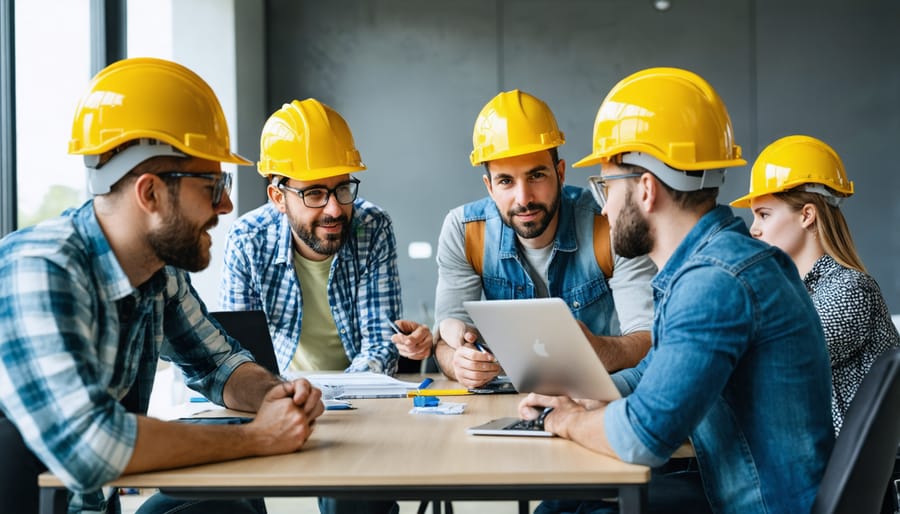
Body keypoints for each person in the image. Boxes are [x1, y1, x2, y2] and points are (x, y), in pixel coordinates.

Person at [0, 57, 324, 514]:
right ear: (150, 193)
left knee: (228, 505)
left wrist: (275, 396)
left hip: (95, 506)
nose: (227, 205)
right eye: (213, 186)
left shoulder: (158, 272)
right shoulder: (39, 269)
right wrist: (258, 437)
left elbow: (219, 365)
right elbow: (89, 447)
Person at [518, 67, 835, 514]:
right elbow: (652, 374)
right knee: (566, 504)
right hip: (736, 490)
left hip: (761, 506)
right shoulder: (712, 265)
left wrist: (566, 420)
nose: (604, 208)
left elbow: (644, 437)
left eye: (606, 187)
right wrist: (586, 396)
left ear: (646, 189)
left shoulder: (715, 282)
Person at [433, 89, 656, 388]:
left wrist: (597, 352)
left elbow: (649, 339)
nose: (523, 198)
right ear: (489, 187)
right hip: (508, 401)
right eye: (506, 181)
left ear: (560, 173)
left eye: (536, 176)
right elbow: (445, 338)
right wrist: (460, 364)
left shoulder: (610, 222)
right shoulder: (464, 231)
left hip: (595, 399)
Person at [219, 98, 432, 376]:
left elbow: (380, 344)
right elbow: (238, 354)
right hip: (280, 387)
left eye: (342, 189)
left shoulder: (372, 227)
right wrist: (277, 393)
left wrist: (340, 392)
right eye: (314, 193)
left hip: (359, 390)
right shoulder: (247, 239)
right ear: (278, 197)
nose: (334, 209)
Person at [731, 134, 900, 434]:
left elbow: (778, 359)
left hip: (839, 461)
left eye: (764, 215)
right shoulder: (796, 292)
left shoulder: (851, 289)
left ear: (807, 215)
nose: (754, 229)